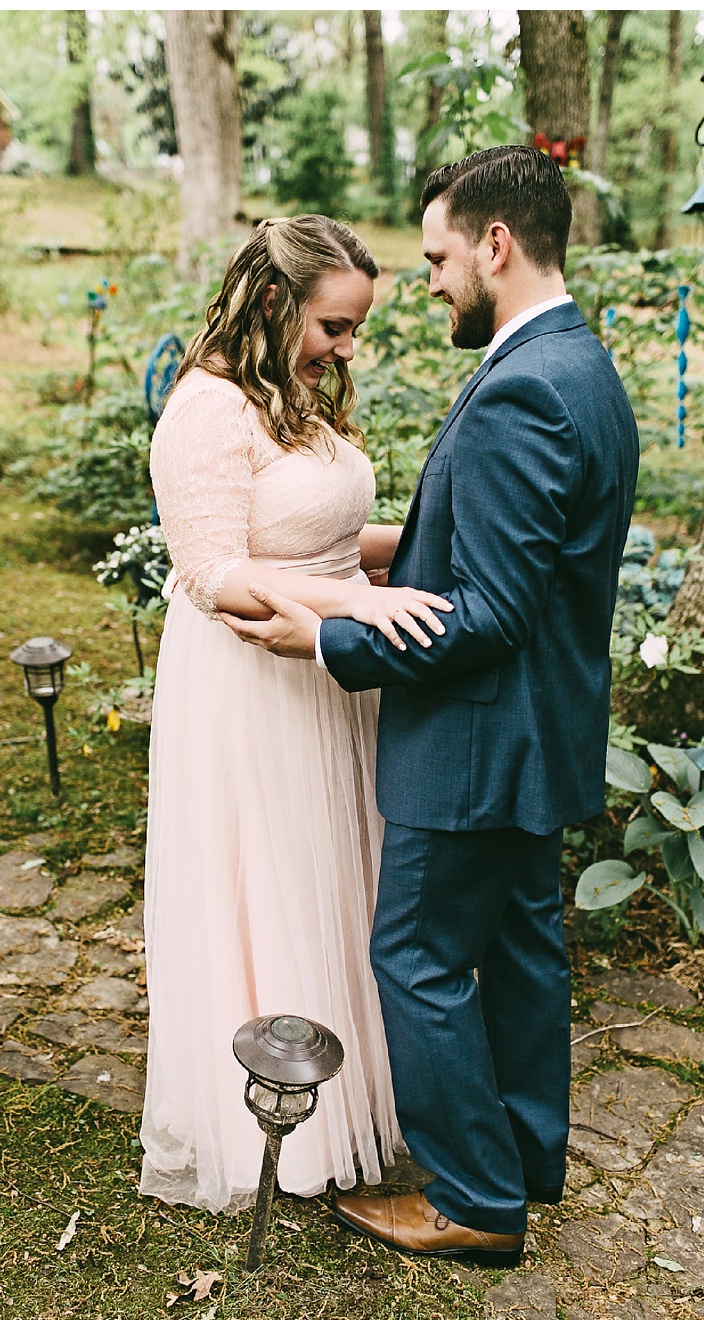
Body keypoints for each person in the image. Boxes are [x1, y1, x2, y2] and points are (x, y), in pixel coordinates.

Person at [224, 147, 639, 1266]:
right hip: (538, 732)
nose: (436, 280)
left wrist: (330, 635)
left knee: (414, 955)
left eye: (441, 257)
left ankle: (474, 1200)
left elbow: (491, 611)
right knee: (517, 946)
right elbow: (512, 561)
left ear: (496, 244)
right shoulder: (579, 367)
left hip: (477, 741)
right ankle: (523, 1155)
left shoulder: (523, 391)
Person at [141, 214, 458, 1213]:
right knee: (269, 879)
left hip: (324, 678)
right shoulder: (207, 409)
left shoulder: (295, 396)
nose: (347, 348)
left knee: (334, 878)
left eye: (355, 328)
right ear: (274, 303)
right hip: (251, 686)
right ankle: (268, 1129)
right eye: (335, 325)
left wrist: (446, 535)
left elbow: (321, 533)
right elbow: (217, 573)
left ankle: (350, 1091)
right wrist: (357, 602)